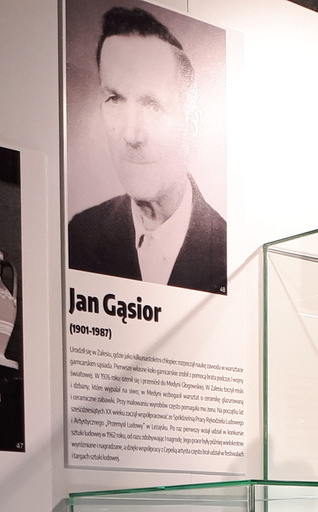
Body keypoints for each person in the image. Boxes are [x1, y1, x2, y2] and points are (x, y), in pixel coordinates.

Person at [67, 6, 227, 295]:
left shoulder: (228, 252)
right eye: (115, 99)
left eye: (153, 106)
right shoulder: (80, 234)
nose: (131, 135)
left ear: (192, 125)